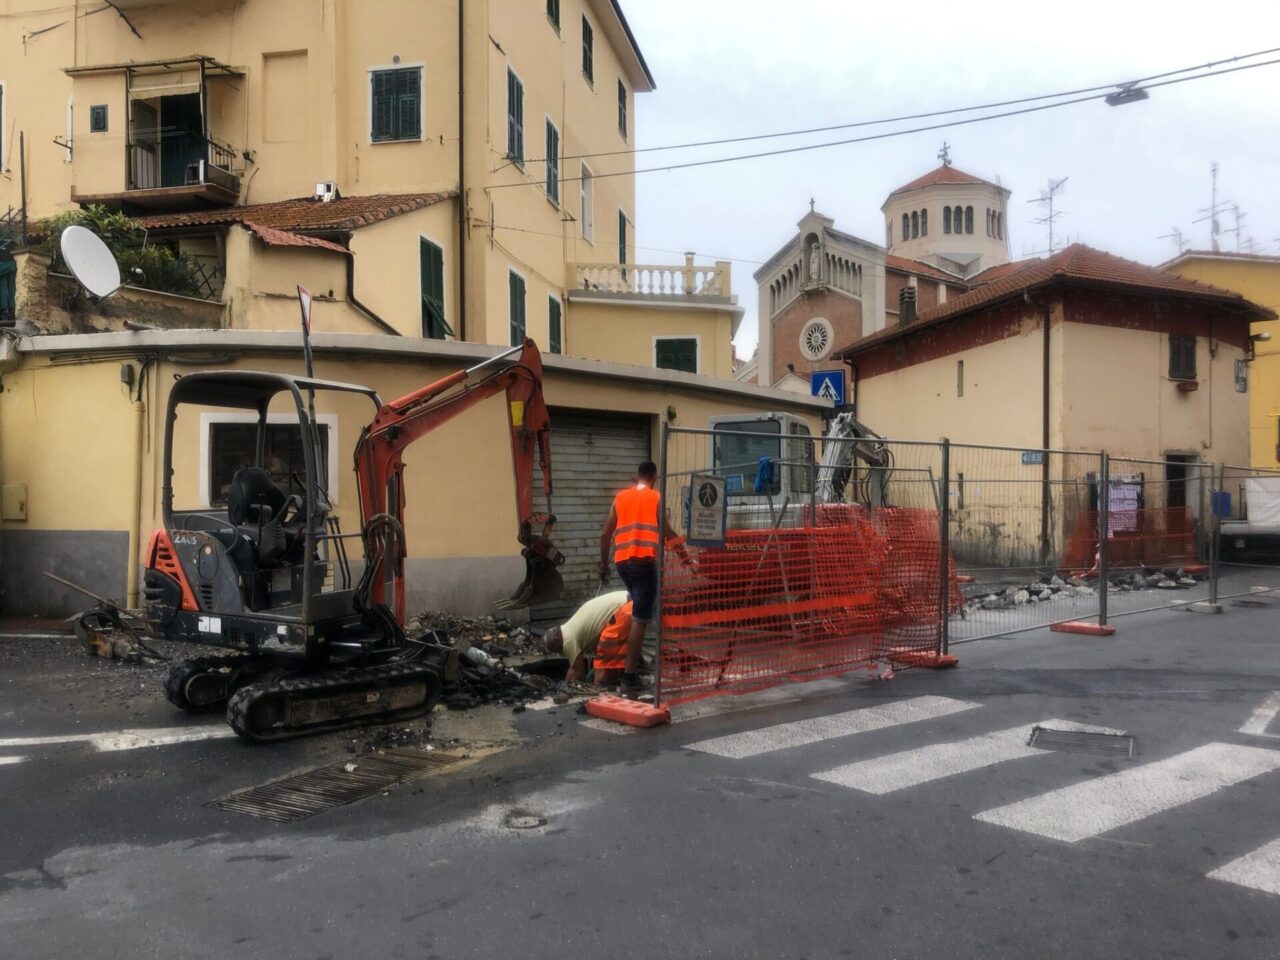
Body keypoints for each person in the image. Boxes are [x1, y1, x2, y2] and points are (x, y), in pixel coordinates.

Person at [599, 461, 681, 696]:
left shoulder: (621, 498)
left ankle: (634, 663)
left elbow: (605, 534)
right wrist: (684, 556)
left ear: (637, 476)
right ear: (654, 476)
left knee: (640, 612)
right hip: (644, 563)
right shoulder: (656, 497)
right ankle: (629, 676)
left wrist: (603, 566)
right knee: (640, 619)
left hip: (623, 563)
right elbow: (668, 532)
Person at [542, 590, 632, 686]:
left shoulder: (567, 640)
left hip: (624, 607)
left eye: (557, 650)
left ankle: (602, 691)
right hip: (626, 599)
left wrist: (576, 688)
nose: (560, 653)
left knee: (601, 663)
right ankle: (631, 670)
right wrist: (566, 684)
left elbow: (579, 672)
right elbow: (573, 667)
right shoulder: (567, 630)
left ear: (557, 641)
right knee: (606, 654)